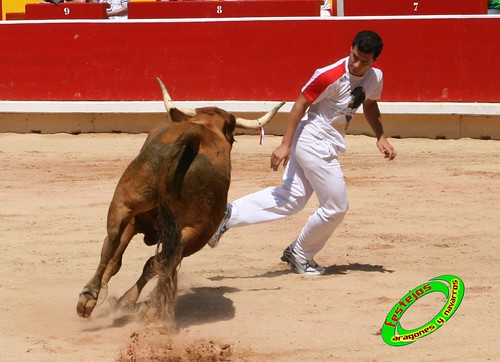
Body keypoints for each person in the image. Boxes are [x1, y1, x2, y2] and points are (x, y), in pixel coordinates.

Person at [209, 30, 396, 276]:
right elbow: (300, 105)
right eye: (354, 56)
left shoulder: (375, 77)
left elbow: (370, 104)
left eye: (364, 61)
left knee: (292, 198)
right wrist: (285, 144)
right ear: (350, 49)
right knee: (336, 207)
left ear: (374, 61)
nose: (356, 64)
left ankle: (228, 214)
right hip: (313, 140)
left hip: (325, 141)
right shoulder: (329, 75)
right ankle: (300, 254)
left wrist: (380, 136)